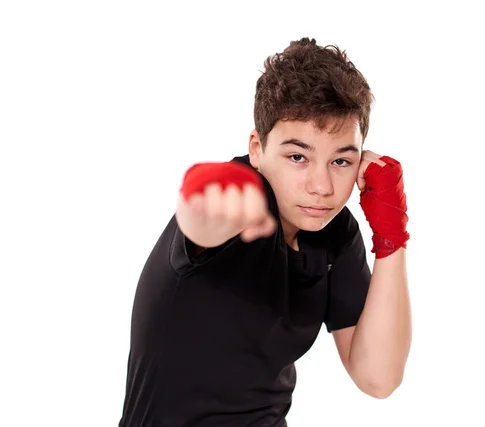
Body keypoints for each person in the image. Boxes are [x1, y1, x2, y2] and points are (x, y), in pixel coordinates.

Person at [118, 37, 412, 427]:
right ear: (257, 148)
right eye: (297, 157)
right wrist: (202, 192)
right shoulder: (242, 196)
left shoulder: (334, 231)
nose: (321, 186)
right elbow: (202, 222)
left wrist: (391, 233)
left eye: (341, 160)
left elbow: (378, 378)